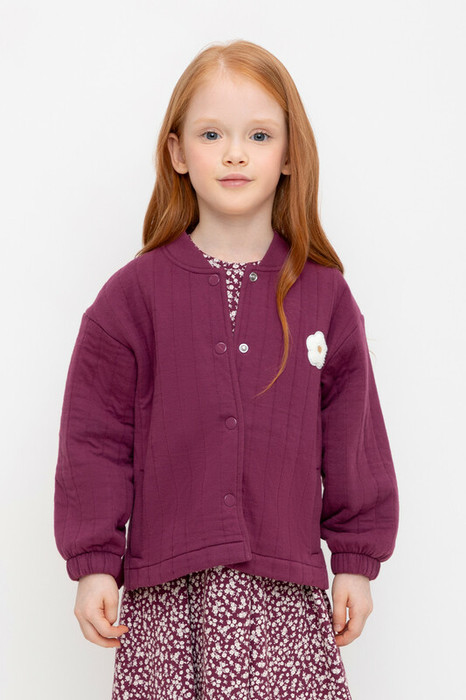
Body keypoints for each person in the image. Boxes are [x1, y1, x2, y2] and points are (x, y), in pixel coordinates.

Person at [54, 39, 399, 700]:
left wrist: (356, 559)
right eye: (212, 134)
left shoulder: (324, 297)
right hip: (168, 599)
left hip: (286, 598)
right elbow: (93, 439)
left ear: (289, 154)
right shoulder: (132, 297)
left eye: (259, 135)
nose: (235, 153)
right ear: (178, 152)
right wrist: (95, 561)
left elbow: (355, 437)